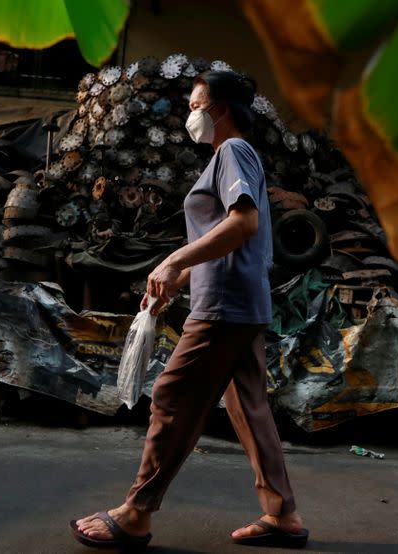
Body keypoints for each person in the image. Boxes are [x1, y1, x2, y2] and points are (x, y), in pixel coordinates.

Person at [71, 70, 308, 550]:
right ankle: (281, 513)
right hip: (241, 301)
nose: (189, 116)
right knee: (248, 408)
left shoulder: (232, 151)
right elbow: (224, 234)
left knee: (172, 398)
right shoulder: (233, 157)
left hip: (224, 306)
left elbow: (243, 223)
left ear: (219, 110)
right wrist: (179, 278)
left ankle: (137, 512)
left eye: (195, 105)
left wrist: (174, 259)